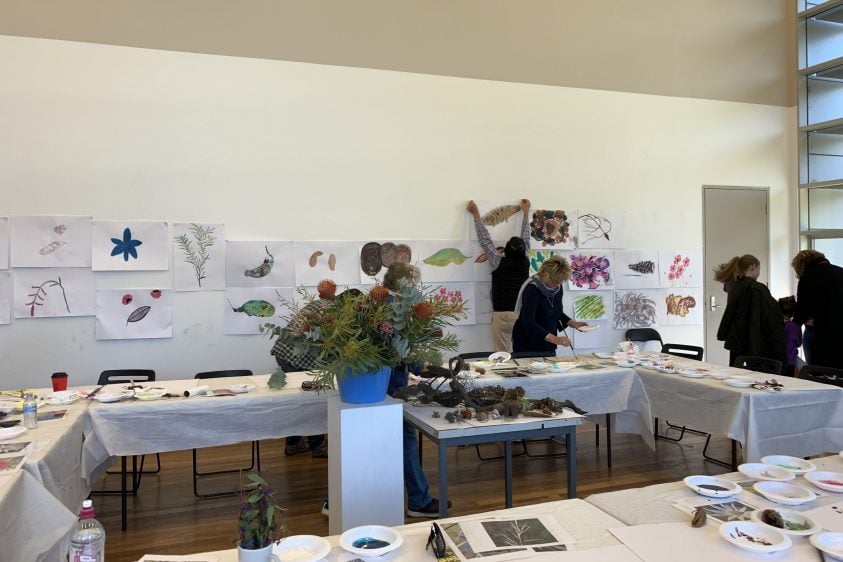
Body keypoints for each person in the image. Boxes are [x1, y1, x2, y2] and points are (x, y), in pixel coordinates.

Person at [382, 262, 450, 517]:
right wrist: (421, 367)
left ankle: (333, 502)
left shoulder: (379, 303)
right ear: (405, 284)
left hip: (376, 383)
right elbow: (401, 348)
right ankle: (419, 501)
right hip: (390, 385)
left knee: (369, 442)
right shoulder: (395, 308)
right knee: (406, 440)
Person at [467, 199, 531, 352]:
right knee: (521, 354)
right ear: (523, 251)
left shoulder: (497, 261)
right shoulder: (526, 260)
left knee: (501, 356)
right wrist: (526, 212)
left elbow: (485, 240)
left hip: (502, 315)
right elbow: (526, 237)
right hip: (521, 313)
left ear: (505, 251)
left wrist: (476, 214)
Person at [714, 254, 785, 367]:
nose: (759, 272)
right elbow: (772, 317)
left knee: (736, 371)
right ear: (753, 267)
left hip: (737, 339)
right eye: (759, 268)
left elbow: (730, 313)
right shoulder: (758, 289)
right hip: (757, 340)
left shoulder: (734, 287)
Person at [511, 255, 587, 354]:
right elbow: (528, 322)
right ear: (546, 276)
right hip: (527, 343)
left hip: (548, 344)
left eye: (561, 281)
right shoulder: (532, 289)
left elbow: (557, 312)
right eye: (555, 281)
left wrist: (573, 324)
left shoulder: (557, 288)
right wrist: (554, 339)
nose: (557, 285)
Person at [272, 330, 328, 458]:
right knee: (313, 399)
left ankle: (294, 443)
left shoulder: (324, 310)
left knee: (297, 400)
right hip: (296, 356)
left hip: (284, 353)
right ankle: (317, 446)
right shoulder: (335, 314)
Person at [791, 249, 843, 369]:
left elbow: (802, 310)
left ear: (801, 265)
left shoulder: (808, 278)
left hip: (820, 333)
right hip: (840, 332)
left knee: (818, 372)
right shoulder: (840, 272)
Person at [778, 296, 802, 377]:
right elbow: (798, 343)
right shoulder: (795, 327)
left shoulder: (775, 324)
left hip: (776, 359)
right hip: (790, 360)